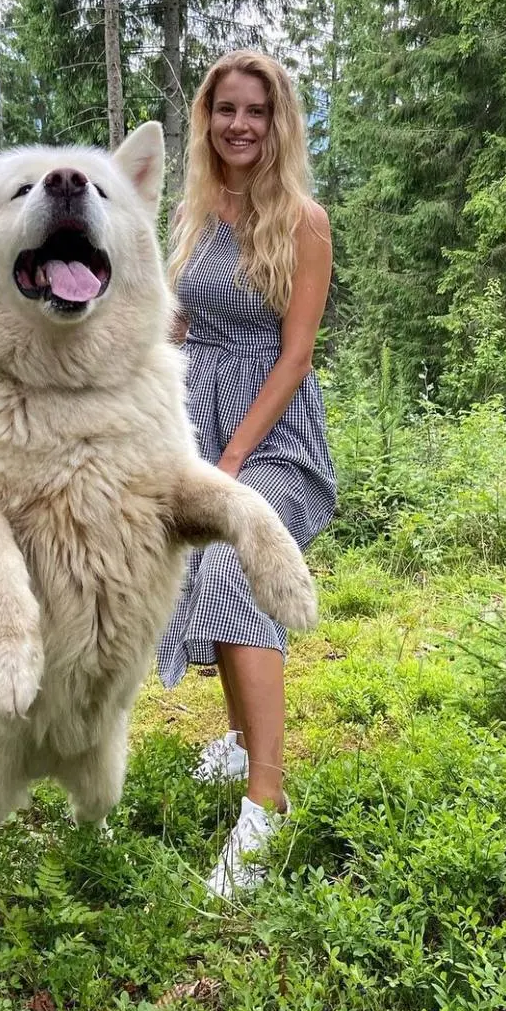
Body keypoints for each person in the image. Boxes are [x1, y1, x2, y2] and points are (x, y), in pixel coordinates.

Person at [156, 49, 336, 897]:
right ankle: (236, 737)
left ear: (278, 122)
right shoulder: (195, 212)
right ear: (207, 118)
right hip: (195, 421)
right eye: (225, 109)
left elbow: (296, 357)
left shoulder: (303, 221)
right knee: (187, 566)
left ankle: (265, 805)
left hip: (274, 436)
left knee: (236, 561)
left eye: (255, 112)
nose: (238, 124)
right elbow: (175, 327)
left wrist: (228, 466)